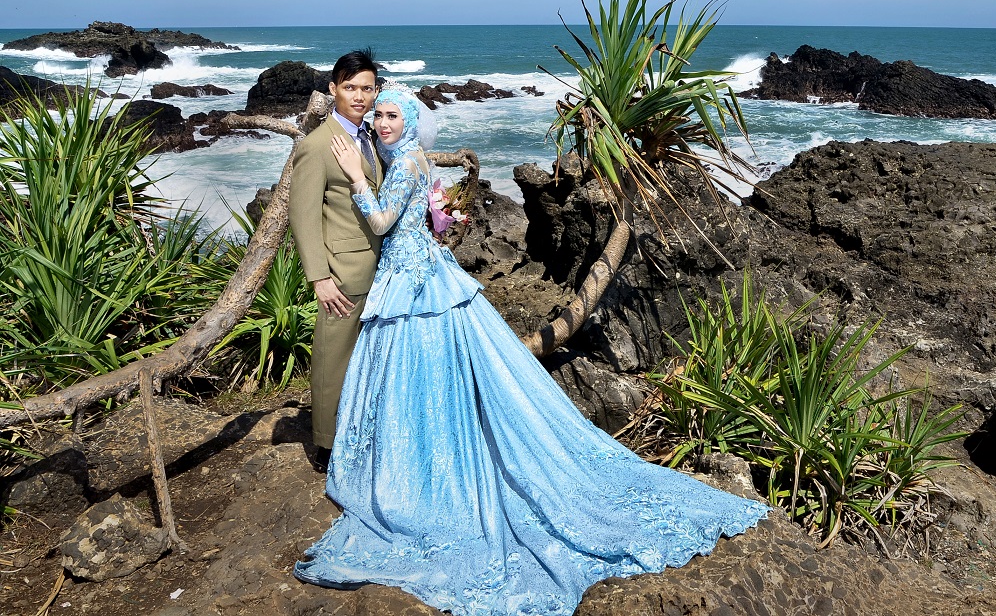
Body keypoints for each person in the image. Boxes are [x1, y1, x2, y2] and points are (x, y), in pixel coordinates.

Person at [293, 82, 768, 615]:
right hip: (419, 276)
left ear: (407, 121)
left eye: (390, 116)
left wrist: (358, 179)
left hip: (413, 285)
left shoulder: (402, 165)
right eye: (377, 116)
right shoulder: (419, 162)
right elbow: (432, 221)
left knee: (420, 373)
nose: (381, 124)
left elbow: (381, 221)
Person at [287, 50, 385, 470]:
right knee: (333, 354)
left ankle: (359, 426)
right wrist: (319, 278)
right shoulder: (317, 145)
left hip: (379, 266)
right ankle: (325, 444)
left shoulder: (372, 137)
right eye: (350, 87)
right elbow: (303, 216)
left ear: (376, 91)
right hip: (342, 273)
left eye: (366, 88)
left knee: (365, 354)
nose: (359, 96)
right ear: (332, 89)